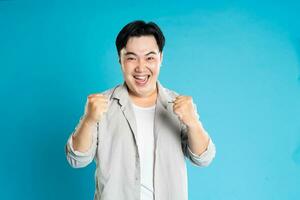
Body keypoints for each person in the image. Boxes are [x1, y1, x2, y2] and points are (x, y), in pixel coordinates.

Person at [65, 20, 216, 200]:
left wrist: (193, 123)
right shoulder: (101, 104)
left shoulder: (179, 105)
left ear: (161, 58)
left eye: (149, 57)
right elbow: (77, 159)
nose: (141, 67)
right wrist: (88, 120)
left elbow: (203, 158)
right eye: (131, 57)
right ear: (120, 60)